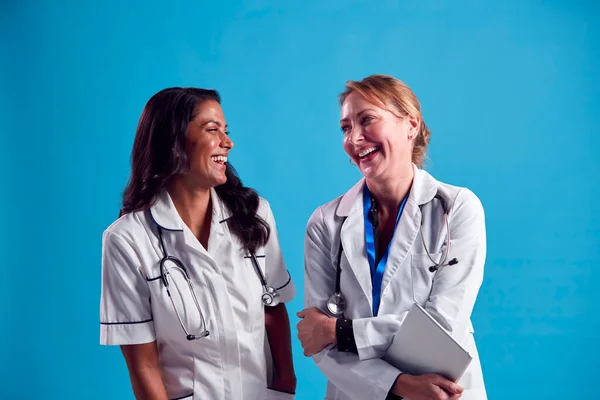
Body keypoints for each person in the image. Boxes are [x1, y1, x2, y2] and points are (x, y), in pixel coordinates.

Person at [297, 74, 487, 400]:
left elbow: (441, 324)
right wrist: (397, 385)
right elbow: (318, 342)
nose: (354, 137)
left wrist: (341, 331)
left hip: (442, 391)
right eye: (345, 128)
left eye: (367, 119)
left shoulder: (456, 208)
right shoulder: (325, 223)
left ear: (411, 125)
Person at [100, 87, 297, 400]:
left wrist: (284, 389)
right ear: (174, 141)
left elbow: (273, 308)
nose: (227, 142)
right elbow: (143, 364)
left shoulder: (255, 214)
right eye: (212, 129)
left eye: (226, 131)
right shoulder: (127, 239)